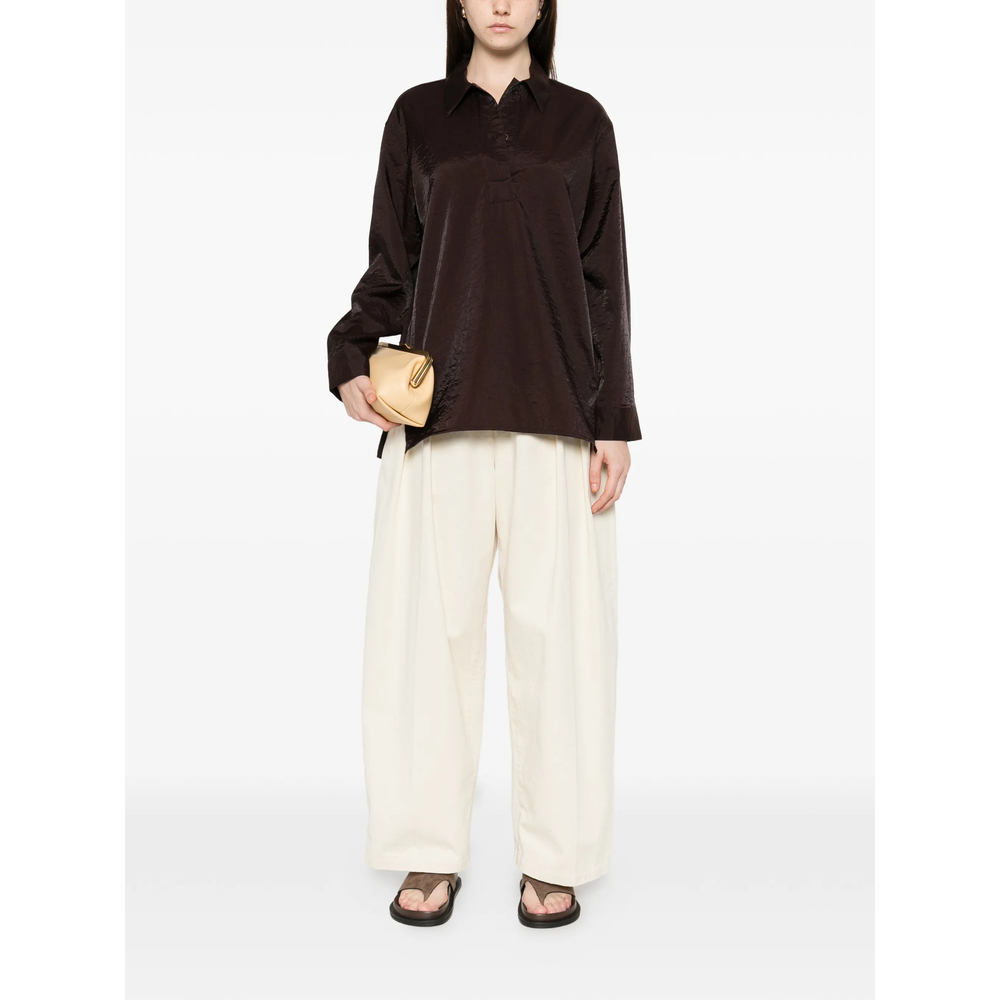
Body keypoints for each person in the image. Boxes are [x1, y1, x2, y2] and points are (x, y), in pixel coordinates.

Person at [327, 0, 641, 928]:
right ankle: (426, 848)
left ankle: (557, 857)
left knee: (563, 652)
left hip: (557, 418)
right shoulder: (418, 117)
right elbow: (391, 266)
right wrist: (350, 358)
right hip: (439, 419)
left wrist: (613, 420)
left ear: (545, 3)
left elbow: (607, 282)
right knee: (424, 645)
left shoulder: (582, 123)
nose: (502, 2)